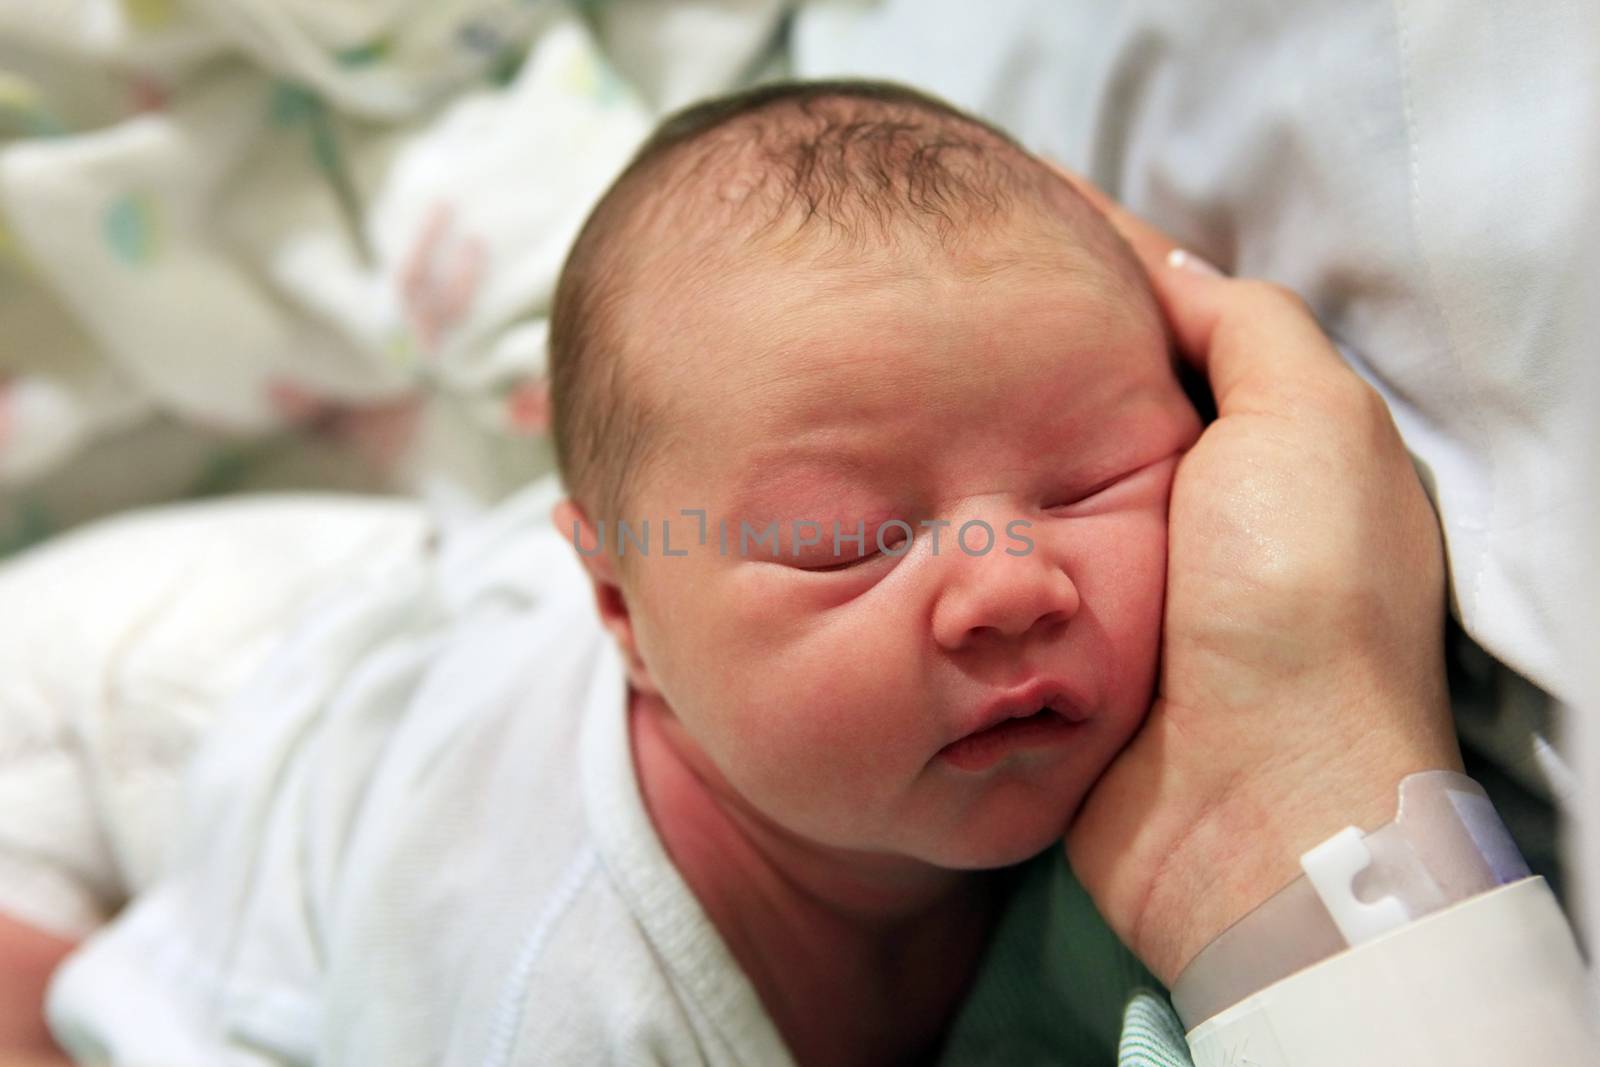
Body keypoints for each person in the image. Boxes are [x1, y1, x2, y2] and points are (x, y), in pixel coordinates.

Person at [3, 81, 1589, 1066]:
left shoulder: (922, 741)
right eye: (847, 538)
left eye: (1095, 476)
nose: (1006, 582)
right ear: (624, 615)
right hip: (135, 701)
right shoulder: (554, 995)